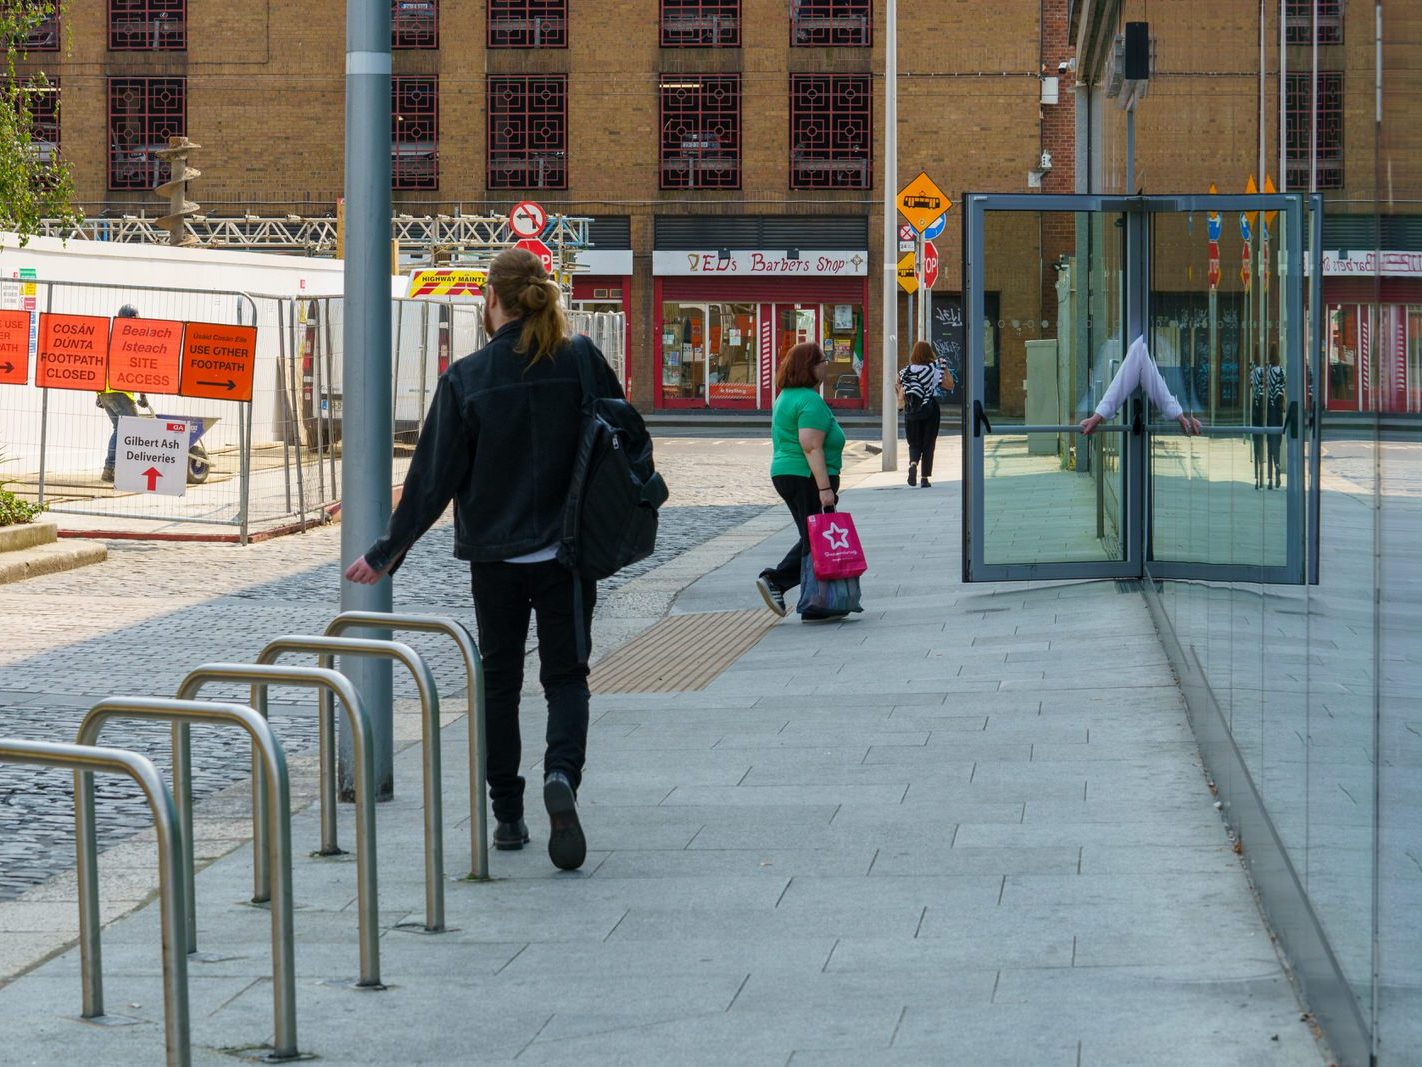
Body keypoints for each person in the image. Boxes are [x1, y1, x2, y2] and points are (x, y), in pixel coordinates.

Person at [345, 247, 625, 872]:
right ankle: (561, 774)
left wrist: (386, 551)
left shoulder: (467, 377)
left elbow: (432, 480)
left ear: (490, 300)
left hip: (496, 560)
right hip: (569, 553)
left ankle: (507, 814)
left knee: (499, 681)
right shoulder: (580, 359)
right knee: (566, 677)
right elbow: (626, 433)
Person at [754, 342, 845, 618]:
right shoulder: (809, 399)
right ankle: (791, 588)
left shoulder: (785, 397)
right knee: (815, 537)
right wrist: (825, 488)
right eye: (822, 361)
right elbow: (811, 446)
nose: (825, 366)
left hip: (785, 472)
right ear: (810, 367)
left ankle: (798, 592)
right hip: (806, 476)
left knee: (811, 536)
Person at [1079, 335, 1203, 437]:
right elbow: (1143, 369)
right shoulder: (1142, 343)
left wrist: (1185, 414)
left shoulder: (1148, 341)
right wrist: (1099, 415)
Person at [97, 304, 146, 482]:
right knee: (130, 428)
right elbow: (139, 367)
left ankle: (111, 469)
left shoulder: (111, 337)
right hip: (120, 392)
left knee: (120, 429)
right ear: (132, 319)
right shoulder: (131, 339)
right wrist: (143, 395)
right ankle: (116, 468)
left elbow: (100, 364)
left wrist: (98, 393)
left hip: (106, 392)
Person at [897, 340, 943, 487]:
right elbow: (941, 383)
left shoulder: (905, 371)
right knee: (928, 443)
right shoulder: (933, 369)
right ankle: (924, 478)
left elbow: (898, 388)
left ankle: (913, 464)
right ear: (929, 353)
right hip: (930, 409)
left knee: (914, 443)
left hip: (911, 410)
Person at [1249, 347, 1286, 489]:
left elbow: (1253, 385)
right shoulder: (1282, 372)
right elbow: (1281, 391)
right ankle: (1275, 474)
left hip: (1260, 410)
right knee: (1275, 443)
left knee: (1258, 442)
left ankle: (1260, 477)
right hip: (1277, 411)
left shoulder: (1261, 371)